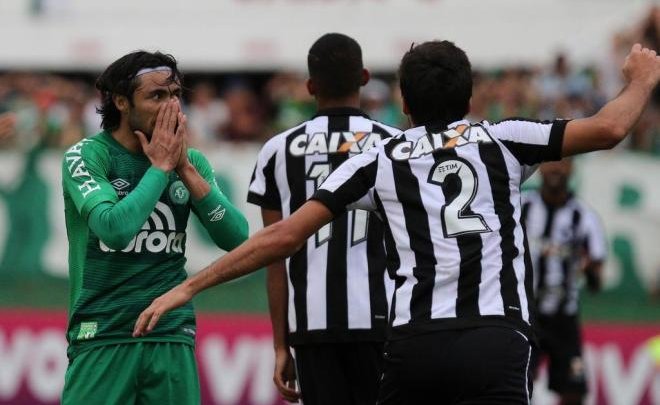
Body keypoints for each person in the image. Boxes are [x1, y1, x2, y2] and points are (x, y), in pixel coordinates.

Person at [134, 42, 660, 404]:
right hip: (497, 337)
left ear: (403, 103)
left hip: (417, 344)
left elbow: (285, 235)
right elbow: (611, 127)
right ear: (470, 97)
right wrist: (641, 79)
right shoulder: (504, 139)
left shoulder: (380, 157)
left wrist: (188, 287)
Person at [60, 50, 249, 405]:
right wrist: (160, 168)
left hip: (171, 334)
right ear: (121, 101)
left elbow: (238, 239)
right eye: (157, 96)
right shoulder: (87, 156)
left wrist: (185, 171)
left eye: (176, 94)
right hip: (103, 333)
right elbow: (114, 230)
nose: (172, 106)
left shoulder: (190, 161)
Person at [247, 33, 400, 404]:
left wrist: (281, 345)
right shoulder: (397, 146)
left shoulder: (276, 151)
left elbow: (274, 257)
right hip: (386, 324)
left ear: (310, 86)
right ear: (364, 78)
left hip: (311, 327)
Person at [522, 159, 607, 405]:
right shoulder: (521, 207)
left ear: (572, 169)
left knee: (574, 391)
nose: (556, 169)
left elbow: (596, 282)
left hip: (564, 320)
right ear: (540, 168)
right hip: (526, 315)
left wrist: (589, 269)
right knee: (517, 384)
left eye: (563, 164)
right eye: (550, 163)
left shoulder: (584, 217)